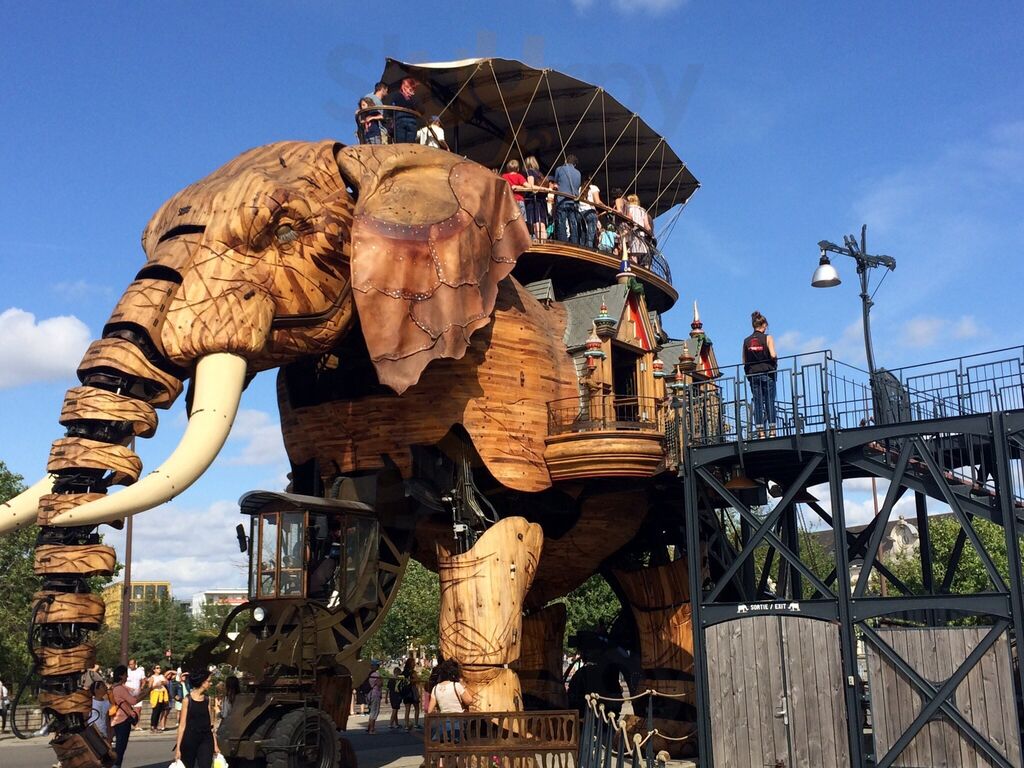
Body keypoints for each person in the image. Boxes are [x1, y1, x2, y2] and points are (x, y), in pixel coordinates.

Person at [174, 669, 221, 768]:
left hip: (206, 738)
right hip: (190, 738)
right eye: (209, 681)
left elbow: (210, 724)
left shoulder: (207, 699)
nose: (211, 683)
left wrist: (215, 744)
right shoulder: (187, 700)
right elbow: (182, 725)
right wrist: (178, 748)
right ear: (202, 682)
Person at [742, 311, 778, 438]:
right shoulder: (768, 338)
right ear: (764, 325)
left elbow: (744, 361)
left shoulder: (746, 341)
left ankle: (760, 432)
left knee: (757, 402)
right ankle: (772, 431)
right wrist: (775, 359)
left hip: (753, 374)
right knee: (769, 401)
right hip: (767, 373)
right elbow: (773, 354)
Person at [111, 664, 147, 768]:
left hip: (115, 719)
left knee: (118, 746)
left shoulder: (114, 687)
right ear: (121, 676)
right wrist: (147, 692)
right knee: (121, 747)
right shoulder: (120, 688)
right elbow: (133, 701)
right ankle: (116, 765)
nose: (127, 677)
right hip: (122, 720)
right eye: (125, 674)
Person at [426, 660, 469, 744]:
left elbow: (429, 710)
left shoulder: (435, 688)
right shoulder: (457, 686)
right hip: (457, 725)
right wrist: (464, 686)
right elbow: (469, 701)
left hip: (443, 726)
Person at [553, 154, 582, 244]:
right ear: (575, 164)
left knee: (561, 222)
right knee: (573, 222)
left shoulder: (559, 169)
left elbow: (556, 183)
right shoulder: (578, 173)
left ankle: (563, 242)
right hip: (574, 201)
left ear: (566, 161)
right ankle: (574, 242)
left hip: (562, 199)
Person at [388, 78, 420, 144]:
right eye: (410, 89)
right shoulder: (397, 96)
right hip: (402, 121)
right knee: (404, 144)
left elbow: (422, 110)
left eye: (413, 90)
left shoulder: (411, 98)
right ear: (403, 87)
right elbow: (390, 111)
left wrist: (412, 97)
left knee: (406, 144)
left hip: (408, 122)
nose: (412, 91)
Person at [523, 156, 548, 240]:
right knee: (541, 224)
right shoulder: (540, 174)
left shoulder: (529, 172)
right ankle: (544, 243)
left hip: (533, 202)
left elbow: (531, 186)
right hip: (541, 202)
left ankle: (537, 243)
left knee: (535, 224)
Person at [625, 194, 653, 266]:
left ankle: (632, 266)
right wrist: (650, 235)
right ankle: (637, 266)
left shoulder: (628, 208)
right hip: (641, 234)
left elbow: (629, 218)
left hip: (631, 232)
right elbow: (647, 226)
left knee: (631, 252)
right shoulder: (642, 211)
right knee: (637, 252)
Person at [578, 177, 603, 249]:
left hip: (580, 213)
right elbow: (597, 202)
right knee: (590, 234)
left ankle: (582, 248)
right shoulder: (594, 187)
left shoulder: (580, 188)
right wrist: (606, 207)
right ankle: (589, 249)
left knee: (583, 233)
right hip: (590, 212)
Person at [401, 655, 421, 731]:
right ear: (411, 664)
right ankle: (416, 723)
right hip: (413, 691)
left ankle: (406, 725)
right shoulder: (413, 672)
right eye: (413, 663)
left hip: (405, 691)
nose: (414, 664)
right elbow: (417, 680)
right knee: (416, 708)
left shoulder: (403, 672)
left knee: (407, 709)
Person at [148, 664, 169, 731]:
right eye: (157, 668)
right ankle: (152, 726)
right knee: (155, 711)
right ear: (154, 670)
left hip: (161, 694)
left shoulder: (161, 676)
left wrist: (163, 682)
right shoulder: (152, 677)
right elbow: (149, 687)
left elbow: (166, 682)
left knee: (159, 711)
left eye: (159, 668)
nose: (159, 669)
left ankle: (156, 726)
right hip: (155, 694)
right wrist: (156, 685)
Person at [366, 660, 382, 734]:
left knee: (372, 711)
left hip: (370, 694)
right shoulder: (376, 674)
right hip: (376, 694)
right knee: (375, 711)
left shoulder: (369, 674)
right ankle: (372, 729)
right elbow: (379, 684)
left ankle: (369, 727)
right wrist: (381, 680)